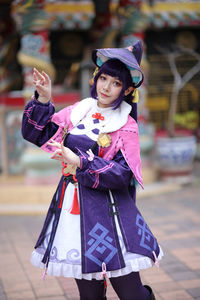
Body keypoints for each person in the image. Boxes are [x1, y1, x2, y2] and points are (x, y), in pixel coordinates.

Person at [22, 40, 163, 300]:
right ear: (96, 78)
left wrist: (81, 161)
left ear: (127, 89)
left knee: (132, 294)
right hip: (72, 210)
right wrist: (43, 100)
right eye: (104, 78)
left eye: (116, 83)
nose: (106, 87)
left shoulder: (126, 124)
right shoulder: (80, 109)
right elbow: (39, 134)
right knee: (90, 296)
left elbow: (123, 174)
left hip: (110, 215)